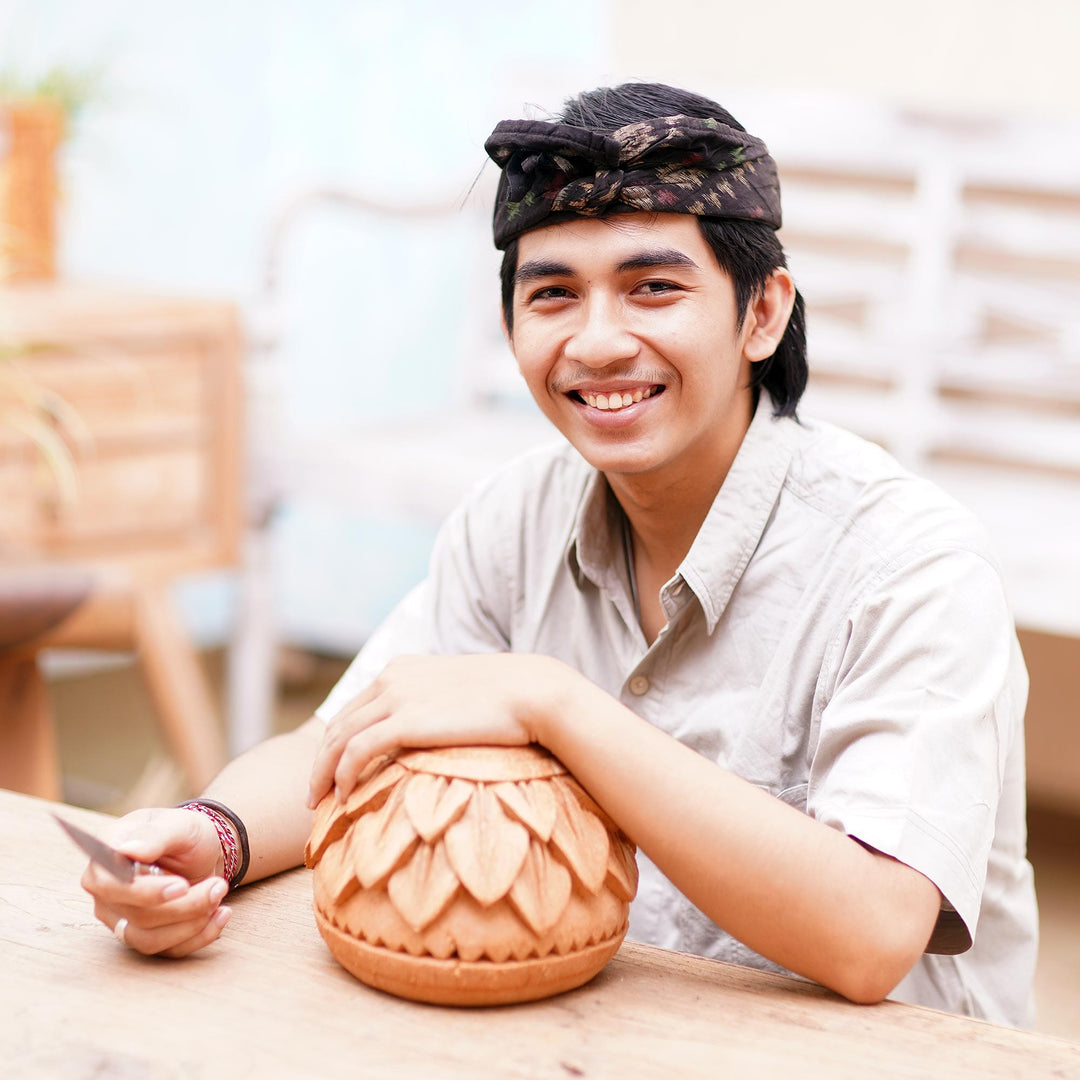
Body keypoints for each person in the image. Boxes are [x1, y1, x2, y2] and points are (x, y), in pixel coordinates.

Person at [80, 82, 1037, 1027]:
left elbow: (873, 938)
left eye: (653, 287)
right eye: (554, 295)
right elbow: (341, 749)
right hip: (593, 1031)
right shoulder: (515, 520)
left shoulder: (911, 564)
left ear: (763, 314)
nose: (598, 341)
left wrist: (551, 702)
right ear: (511, 329)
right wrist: (208, 841)